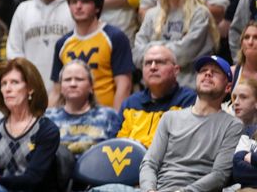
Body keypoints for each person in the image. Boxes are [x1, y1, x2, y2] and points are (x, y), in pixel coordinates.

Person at [97, 56, 241, 192]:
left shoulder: (232, 125)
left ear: (228, 87)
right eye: (203, 71)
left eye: (215, 72)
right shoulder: (170, 117)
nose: (208, 74)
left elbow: (219, 175)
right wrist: (149, 189)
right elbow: (149, 163)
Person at [0, 58, 60, 192]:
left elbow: (34, 179)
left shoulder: (46, 130)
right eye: (3, 84)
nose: (7, 89)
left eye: (14, 82)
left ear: (30, 89)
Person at [134, 0, 219, 88]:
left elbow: (184, 53)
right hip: (153, 88)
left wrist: (152, 47)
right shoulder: (152, 14)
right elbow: (137, 54)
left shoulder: (200, 14)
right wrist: (163, 51)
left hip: (187, 86)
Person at [51, 0, 134, 110]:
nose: (78, 6)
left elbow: (124, 86)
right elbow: (57, 91)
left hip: (105, 116)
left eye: (84, 2)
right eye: (74, 2)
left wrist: (117, 121)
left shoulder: (115, 37)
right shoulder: (62, 43)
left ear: (97, 8)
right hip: (71, 118)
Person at [7, 0, 73, 90]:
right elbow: (14, 53)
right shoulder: (23, 9)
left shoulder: (75, 6)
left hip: (68, 90)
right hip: (32, 91)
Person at [116, 43, 196, 148]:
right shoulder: (130, 103)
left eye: (160, 62)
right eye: (148, 63)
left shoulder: (188, 101)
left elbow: (185, 145)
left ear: (176, 70)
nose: (153, 67)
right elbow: (116, 144)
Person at [45, 60, 121, 156]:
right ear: (61, 87)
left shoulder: (109, 116)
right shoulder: (47, 118)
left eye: (79, 79)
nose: (73, 84)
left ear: (91, 86)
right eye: (67, 80)